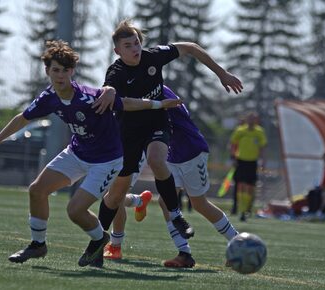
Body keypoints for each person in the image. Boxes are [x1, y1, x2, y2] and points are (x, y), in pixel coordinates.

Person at [0, 40, 181, 267]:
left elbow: (127, 103)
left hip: (107, 160)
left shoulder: (90, 97)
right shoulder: (49, 98)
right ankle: (37, 244)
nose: (60, 75)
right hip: (77, 153)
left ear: (72, 72)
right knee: (36, 190)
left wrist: (158, 105)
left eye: (65, 70)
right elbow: (22, 119)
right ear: (48, 71)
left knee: (75, 211)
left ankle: (100, 238)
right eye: (55, 70)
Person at [93, 19, 243, 259]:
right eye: (128, 45)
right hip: (142, 141)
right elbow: (112, 93)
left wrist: (222, 73)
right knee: (118, 194)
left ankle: (237, 242)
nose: (135, 49)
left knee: (197, 201)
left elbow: (191, 48)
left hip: (187, 150)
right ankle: (110, 244)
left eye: (137, 43)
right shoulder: (117, 73)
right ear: (117, 51)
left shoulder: (157, 68)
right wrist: (108, 92)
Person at [104, 86, 239, 268]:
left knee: (199, 203)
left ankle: (237, 243)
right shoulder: (145, 89)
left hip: (192, 150)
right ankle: (184, 254)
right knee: (166, 202)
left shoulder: (156, 89)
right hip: (172, 155)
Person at [230, 112, 267, 221]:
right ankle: (240, 210)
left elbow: (263, 147)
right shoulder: (240, 130)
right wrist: (233, 158)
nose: (251, 120)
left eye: (253, 118)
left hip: (252, 162)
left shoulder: (259, 132)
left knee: (250, 187)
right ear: (246, 120)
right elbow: (233, 144)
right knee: (240, 185)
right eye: (249, 118)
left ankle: (246, 210)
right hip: (241, 161)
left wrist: (263, 161)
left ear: (256, 120)